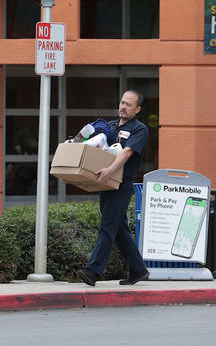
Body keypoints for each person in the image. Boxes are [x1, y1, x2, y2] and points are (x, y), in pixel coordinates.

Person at [76, 90, 150, 287]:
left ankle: (92, 271)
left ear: (137, 109)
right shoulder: (109, 126)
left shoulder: (139, 129)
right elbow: (94, 149)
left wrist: (110, 170)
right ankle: (138, 270)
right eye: (122, 103)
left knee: (108, 226)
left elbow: (126, 153)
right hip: (106, 182)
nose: (123, 107)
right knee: (118, 228)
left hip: (121, 184)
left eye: (128, 104)